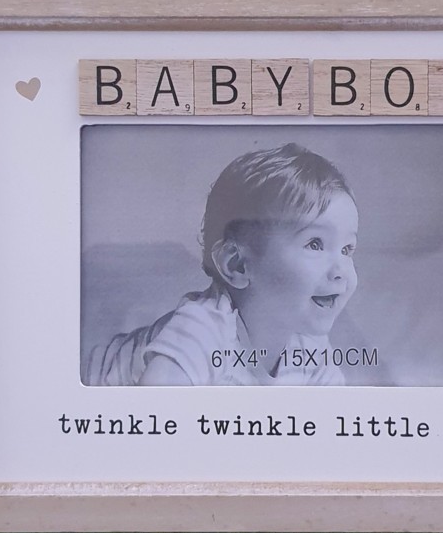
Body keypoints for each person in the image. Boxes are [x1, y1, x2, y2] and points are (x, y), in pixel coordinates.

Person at [86, 143, 358, 385]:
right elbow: (154, 410)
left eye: (347, 249)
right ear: (237, 265)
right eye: (315, 244)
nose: (341, 272)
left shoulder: (311, 347)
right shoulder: (203, 329)